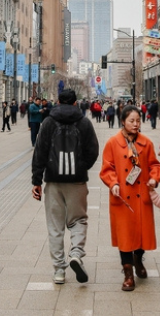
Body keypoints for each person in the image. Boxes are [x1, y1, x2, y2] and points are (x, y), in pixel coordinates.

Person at [31, 89, 100, 285]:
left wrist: (36, 180)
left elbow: (40, 152)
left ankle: (59, 270)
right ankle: (76, 253)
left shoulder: (49, 122)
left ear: (58, 101)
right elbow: (93, 150)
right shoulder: (84, 122)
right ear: (76, 103)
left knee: (55, 226)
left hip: (53, 180)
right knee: (78, 219)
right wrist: (81, 166)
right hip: (77, 181)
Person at [100, 105, 160, 291]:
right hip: (122, 198)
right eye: (132, 121)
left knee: (141, 234)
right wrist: (113, 184)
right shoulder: (113, 143)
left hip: (141, 195)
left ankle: (139, 259)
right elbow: (106, 168)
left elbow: (155, 165)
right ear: (123, 121)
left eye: (138, 120)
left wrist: (154, 178)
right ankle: (128, 273)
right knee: (125, 235)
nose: (136, 124)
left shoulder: (146, 143)